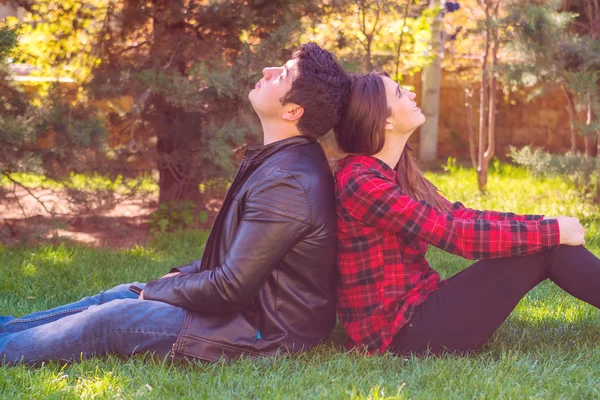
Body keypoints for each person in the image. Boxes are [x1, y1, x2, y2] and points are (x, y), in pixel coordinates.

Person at [0, 43, 351, 365]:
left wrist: (156, 291)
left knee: (111, 319)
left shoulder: (288, 179)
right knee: (121, 294)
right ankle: (8, 329)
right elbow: (241, 257)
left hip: (261, 332)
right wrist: (180, 276)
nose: (267, 71)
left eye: (283, 73)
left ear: (292, 111)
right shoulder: (282, 161)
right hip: (245, 311)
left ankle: (7, 351)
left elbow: (229, 287)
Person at [333, 71, 597, 356]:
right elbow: (455, 235)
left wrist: (543, 223)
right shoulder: (361, 183)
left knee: (547, 241)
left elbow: (460, 216)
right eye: (399, 93)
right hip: (399, 333)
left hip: (417, 314)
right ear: (385, 120)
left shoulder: (387, 174)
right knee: (548, 248)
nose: (410, 93)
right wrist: (553, 232)